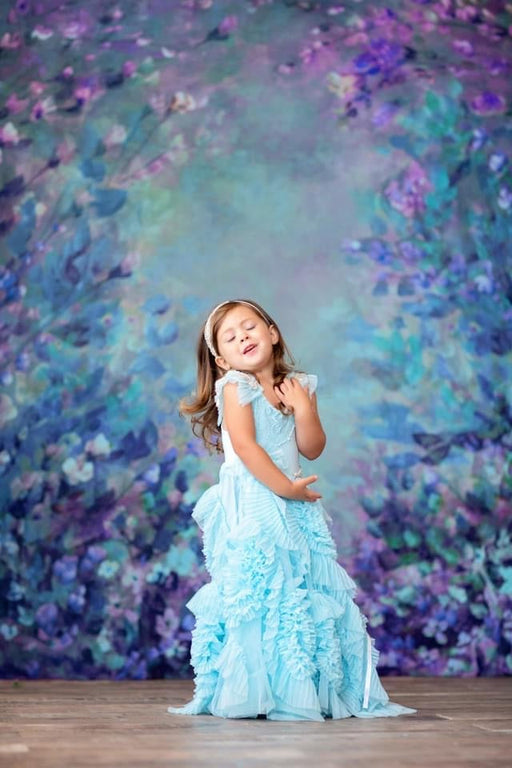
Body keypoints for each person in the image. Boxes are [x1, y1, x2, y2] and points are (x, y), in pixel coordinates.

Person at [167, 299, 417, 721]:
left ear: (272, 333)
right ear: (221, 359)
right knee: (264, 588)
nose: (243, 337)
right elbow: (246, 447)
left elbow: (312, 448)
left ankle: (300, 686)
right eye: (230, 337)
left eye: (250, 327)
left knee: (300, 587)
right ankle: (256, 690)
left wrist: (303, 408)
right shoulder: (235, 387)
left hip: (294, 501)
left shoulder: (297, 386)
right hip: (255, 500)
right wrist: (285, 488)